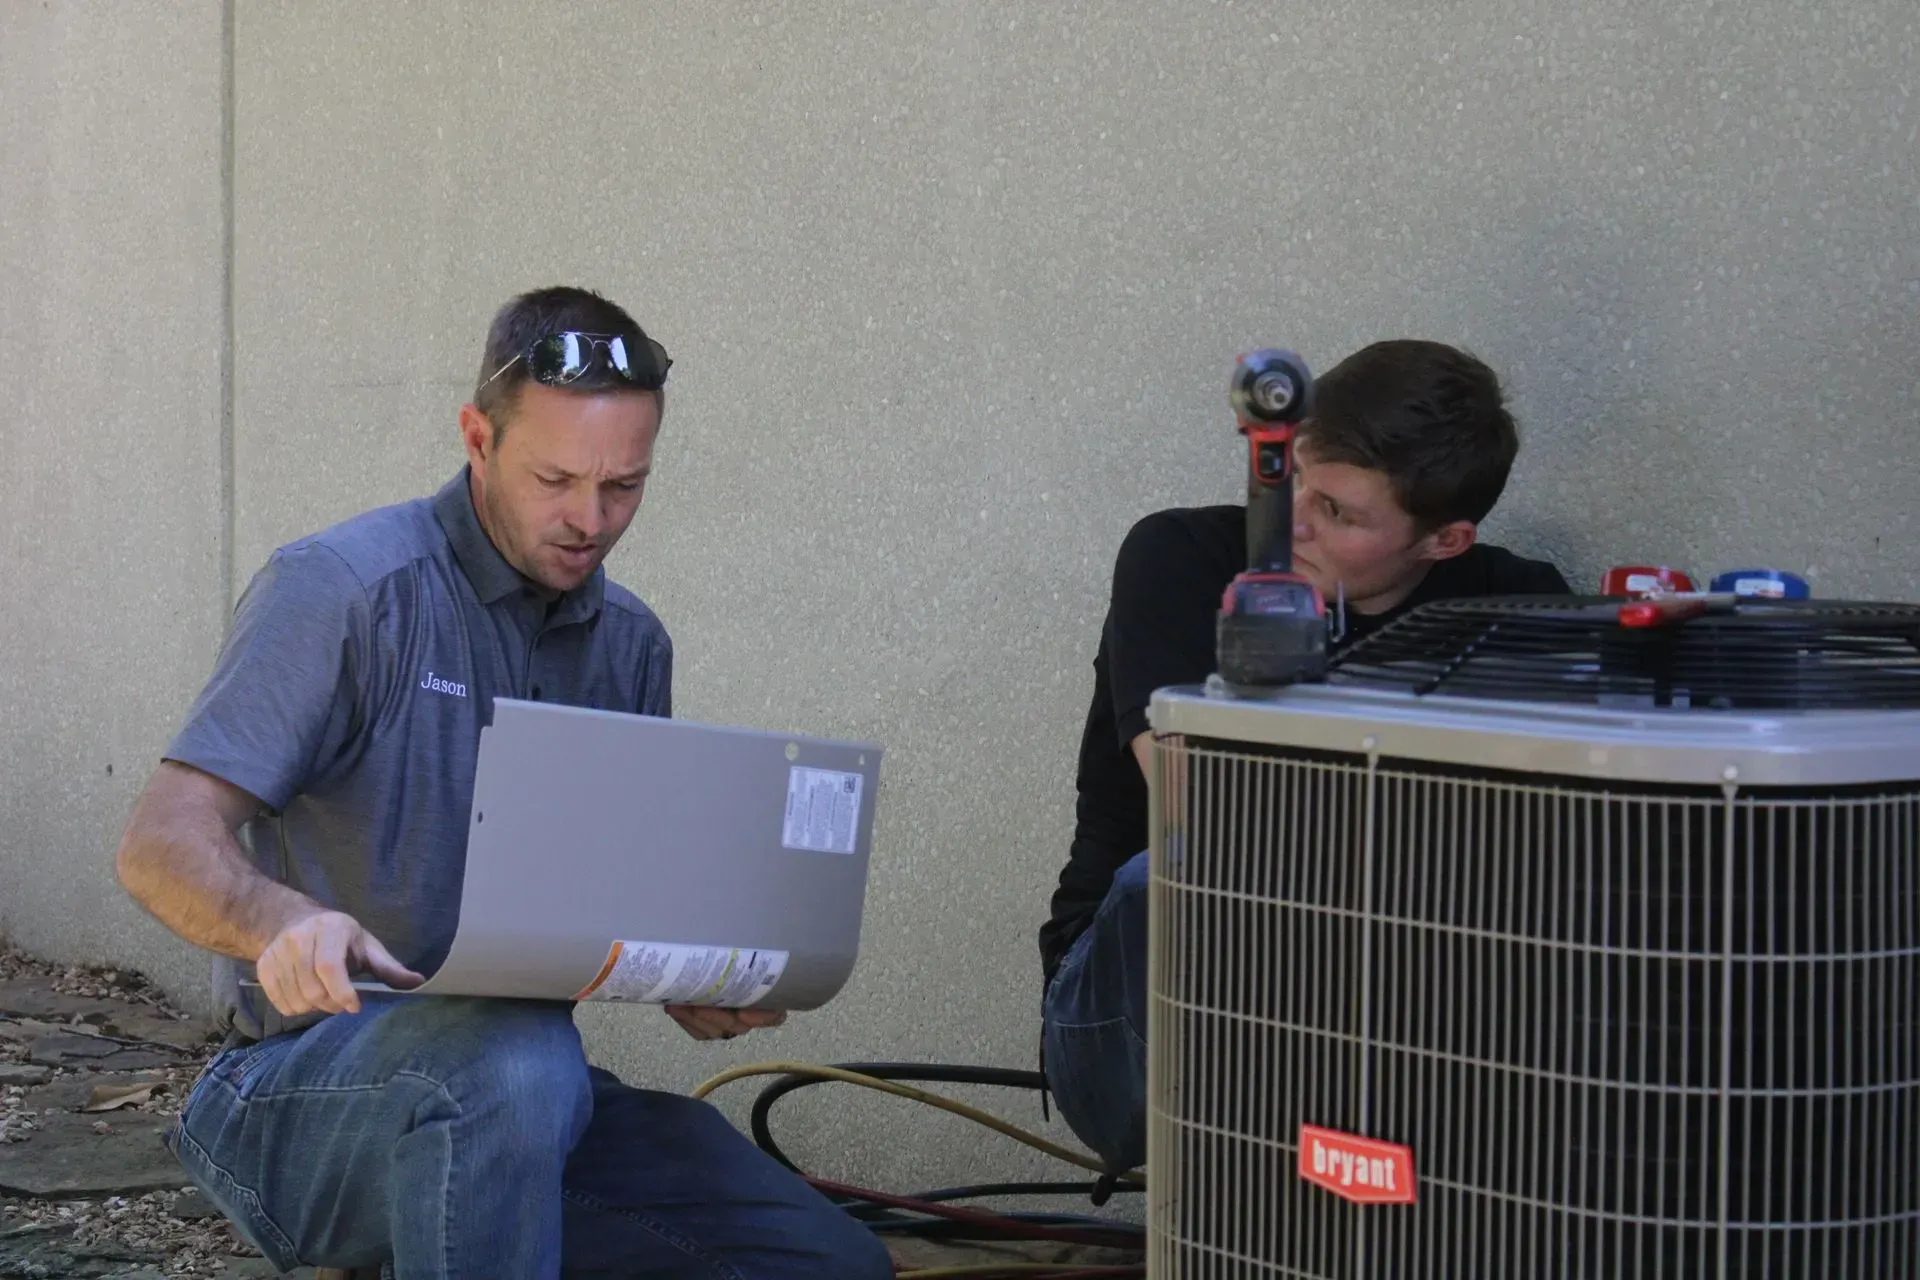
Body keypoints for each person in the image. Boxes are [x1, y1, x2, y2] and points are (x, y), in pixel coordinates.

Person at [114, 286, 893, 1280]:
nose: (589, 518)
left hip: (526, 1097)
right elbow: (157, 842)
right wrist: (279, 921)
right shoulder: (344, 590)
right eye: (556, 477)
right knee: (516, 1066)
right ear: (476, 436)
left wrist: (694, 977)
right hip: (292, 1089)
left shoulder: (632, 645)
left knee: (827, 1262)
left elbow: (604, 910)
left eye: (625, 485)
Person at [1037, 339, 1572, 1174]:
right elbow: (1206, 807)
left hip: (1405, 1008)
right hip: (1137, 1011)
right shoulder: (1180, 558)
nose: (1293, 524)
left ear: (1445, 541)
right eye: (1292, 483)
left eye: (1342, 514)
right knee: (1184, 869)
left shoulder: (1516, 608)